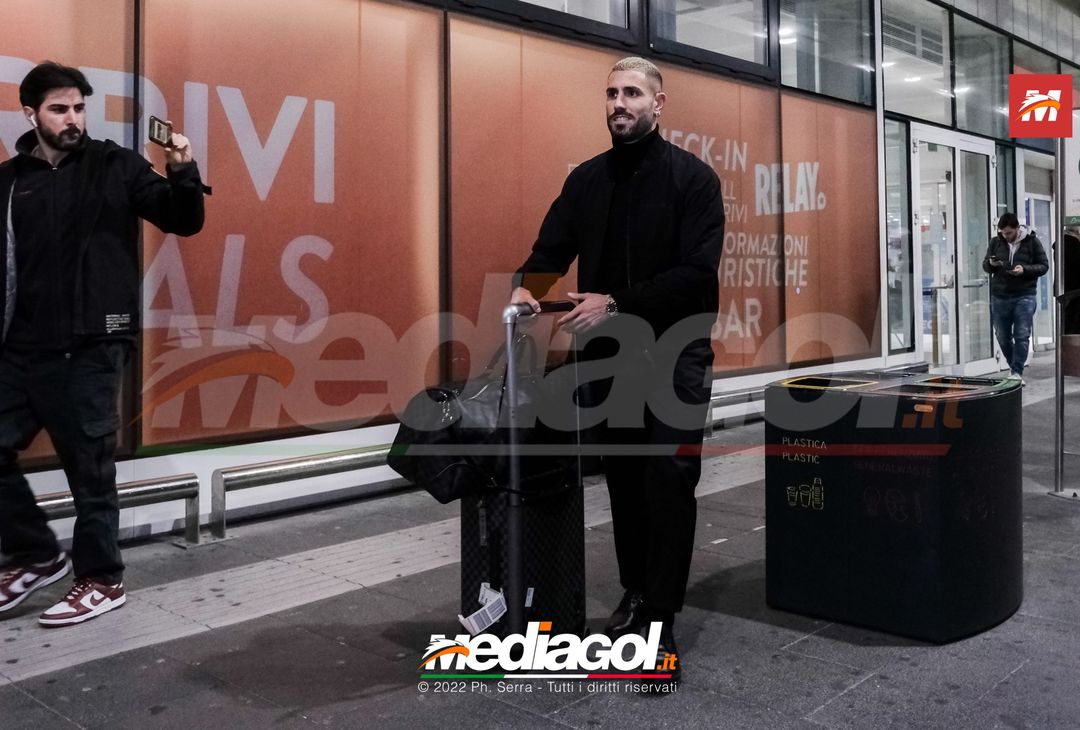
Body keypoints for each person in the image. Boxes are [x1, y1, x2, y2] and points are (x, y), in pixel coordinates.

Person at [510, 56, 724, 681]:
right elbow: (550, 250)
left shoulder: (695, 180)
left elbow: (696, 276)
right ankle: (635, 592)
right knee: (627, 485)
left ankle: (660, 621)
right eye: (611, 93)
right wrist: (528, 288)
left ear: (660, 104)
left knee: (668, 482)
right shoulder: (586, 182)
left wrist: (618, 301)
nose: (619, 103)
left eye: (632, 93)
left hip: (675, 354)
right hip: (609, 359)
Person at [0, 61, 207, 626]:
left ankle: (101, 579)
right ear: (30, 114)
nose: (72, 120)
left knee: (89, 469)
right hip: (19, 348)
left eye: (79, 108)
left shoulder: (115, 166)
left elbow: (182, 220)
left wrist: (182, 168)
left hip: (92, 343)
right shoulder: (10, 180)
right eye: (59, 109)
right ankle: (36, 554)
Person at [983, 212, 1048, 383]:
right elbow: (985, 266)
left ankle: (1017, 371)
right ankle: (1014, 367)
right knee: (1002, 335)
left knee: (1021, 333)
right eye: (1003, 233)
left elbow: (1043, 266)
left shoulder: (1032, 242)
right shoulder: (995, 242)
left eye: (1010, 233)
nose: (1006, 236)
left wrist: (1024, 269)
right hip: (1000, 295)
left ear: (1018, 229)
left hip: (1024, 294)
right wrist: (991, 264)